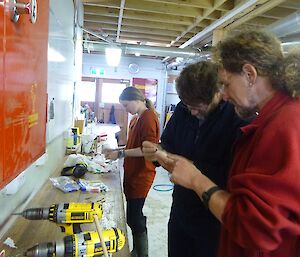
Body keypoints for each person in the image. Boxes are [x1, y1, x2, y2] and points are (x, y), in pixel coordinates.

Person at [152, 30, 300, 257]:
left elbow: (253, 227)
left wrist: (195, 179)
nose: (224, 95)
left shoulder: (284, 124)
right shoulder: (272, 119)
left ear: (249, 74)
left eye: (226, 84)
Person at [143, 61, 246, 257]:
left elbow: (232, 176)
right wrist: (156, 152)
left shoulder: (237, 118)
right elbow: (167, 145)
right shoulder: (184, 108)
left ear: (218, 93)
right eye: (187, 104)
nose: (192, 111)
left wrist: (191, 169)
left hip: (213, 218)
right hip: (181, 209)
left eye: (198, 106)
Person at [105, 86, 160, 257]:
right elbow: (133, 146)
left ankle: (142, 253)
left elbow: (146, 150)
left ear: (137, 100)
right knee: (132, 216)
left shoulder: (149, 118)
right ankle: (137, 250)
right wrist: (117, 149)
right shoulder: (136, 119)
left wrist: (120, 153)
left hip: (142, 174)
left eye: (126, 105)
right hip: (132, 172)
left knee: (134, 217)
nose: (125, 109)